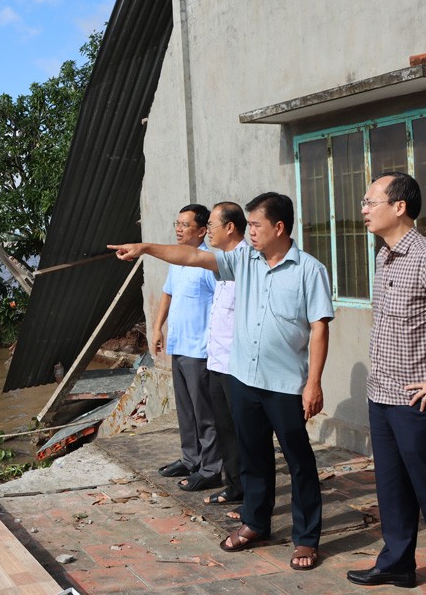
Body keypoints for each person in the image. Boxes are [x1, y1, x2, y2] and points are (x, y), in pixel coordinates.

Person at [109, 192, 333, 571]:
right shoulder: (244, 260)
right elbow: (192, 256)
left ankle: (306, 539)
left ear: (279, 227)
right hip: (244, 377)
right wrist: (146, 247)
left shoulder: (309, 270)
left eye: (257, 226)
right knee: (253, 456)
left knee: (299, 460)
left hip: (284, 383)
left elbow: (318, 329)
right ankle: (256, 524)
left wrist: (314, 383)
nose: (251, 233)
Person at [346, 172, 426, 594]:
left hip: (418, 401)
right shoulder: (384, 255)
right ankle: (397, 563)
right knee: (392, 488)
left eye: (370, 201)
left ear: (399, 207)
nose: (362, 209)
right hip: (381, 395)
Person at [152, 204, 220, 493]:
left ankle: (211, 468)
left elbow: (222, 304)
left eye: (185, 225)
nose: (178, 229)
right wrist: (157, 327)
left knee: (205, 412)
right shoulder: (177, 261)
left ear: (202, 230)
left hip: (200, 349)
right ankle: (190, 459)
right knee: (185, 410)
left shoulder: (207, 262)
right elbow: (168, 293)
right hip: (179, 345)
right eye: (176, 224)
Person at [201, 202, 247, 508]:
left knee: (245, 432)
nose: (207, 232)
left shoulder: (246, 260)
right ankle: (235, 486)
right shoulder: (222, 263)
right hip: (216, 359)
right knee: (225, 429)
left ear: (230, 227)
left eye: (210, 226)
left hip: (237, 364)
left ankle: (253, 493)